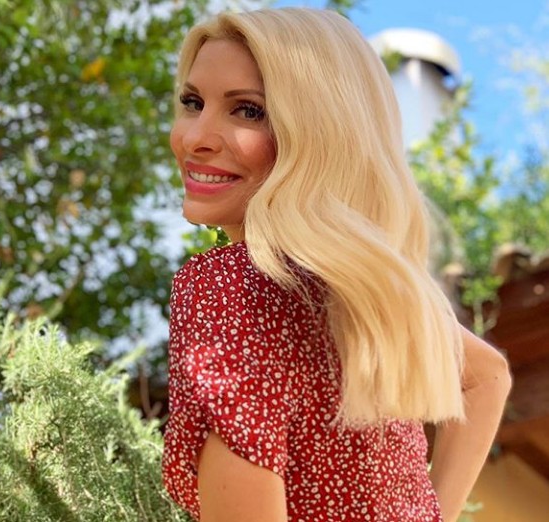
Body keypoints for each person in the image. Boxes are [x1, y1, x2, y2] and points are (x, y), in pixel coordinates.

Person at [162, 7, 511, 522]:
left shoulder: (228, 285)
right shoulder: (365, 298)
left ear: (318, 135)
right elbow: (488, 378)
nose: (195, 137)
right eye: (193, 103)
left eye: (248, 111)